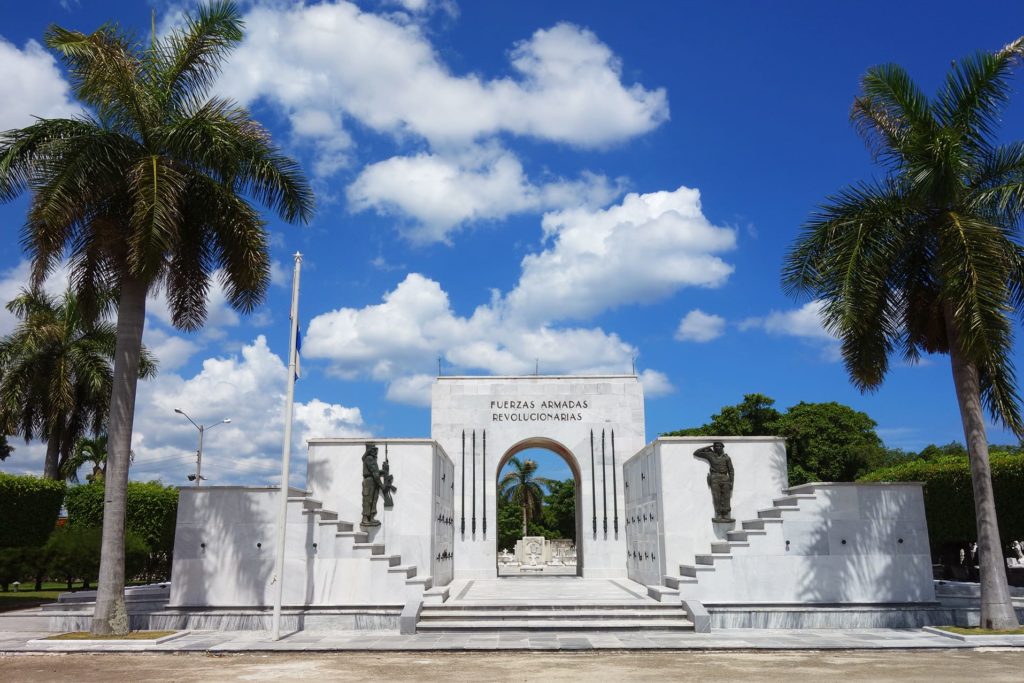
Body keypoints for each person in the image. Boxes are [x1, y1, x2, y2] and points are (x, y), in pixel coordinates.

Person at [693, 441, 735, 523]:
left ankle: (726, 514)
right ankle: (718, 514)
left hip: (725, 478)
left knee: (726, 497)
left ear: (722, 447)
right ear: (714, 448)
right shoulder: (710, 455)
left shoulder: (727, 458)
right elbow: (696, 453)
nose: (718, 447)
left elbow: (731, 471)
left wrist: (731, 482)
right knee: (716, 497)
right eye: (716, 446)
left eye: (719, 446)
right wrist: (709, 446)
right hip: (714, 478)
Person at [361, 443, 384, 526]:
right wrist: (382, 485)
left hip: (373, 480)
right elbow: (374, 472)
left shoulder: (372, 459)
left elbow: (376, 471)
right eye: (374, 450)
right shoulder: (369, 458)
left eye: (376, 450)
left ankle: (371, 517)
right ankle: (365, 518)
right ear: (370, 451)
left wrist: (382, 471)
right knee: (368, 499)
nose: (376, 452)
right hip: (369, 480)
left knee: (374, 499)